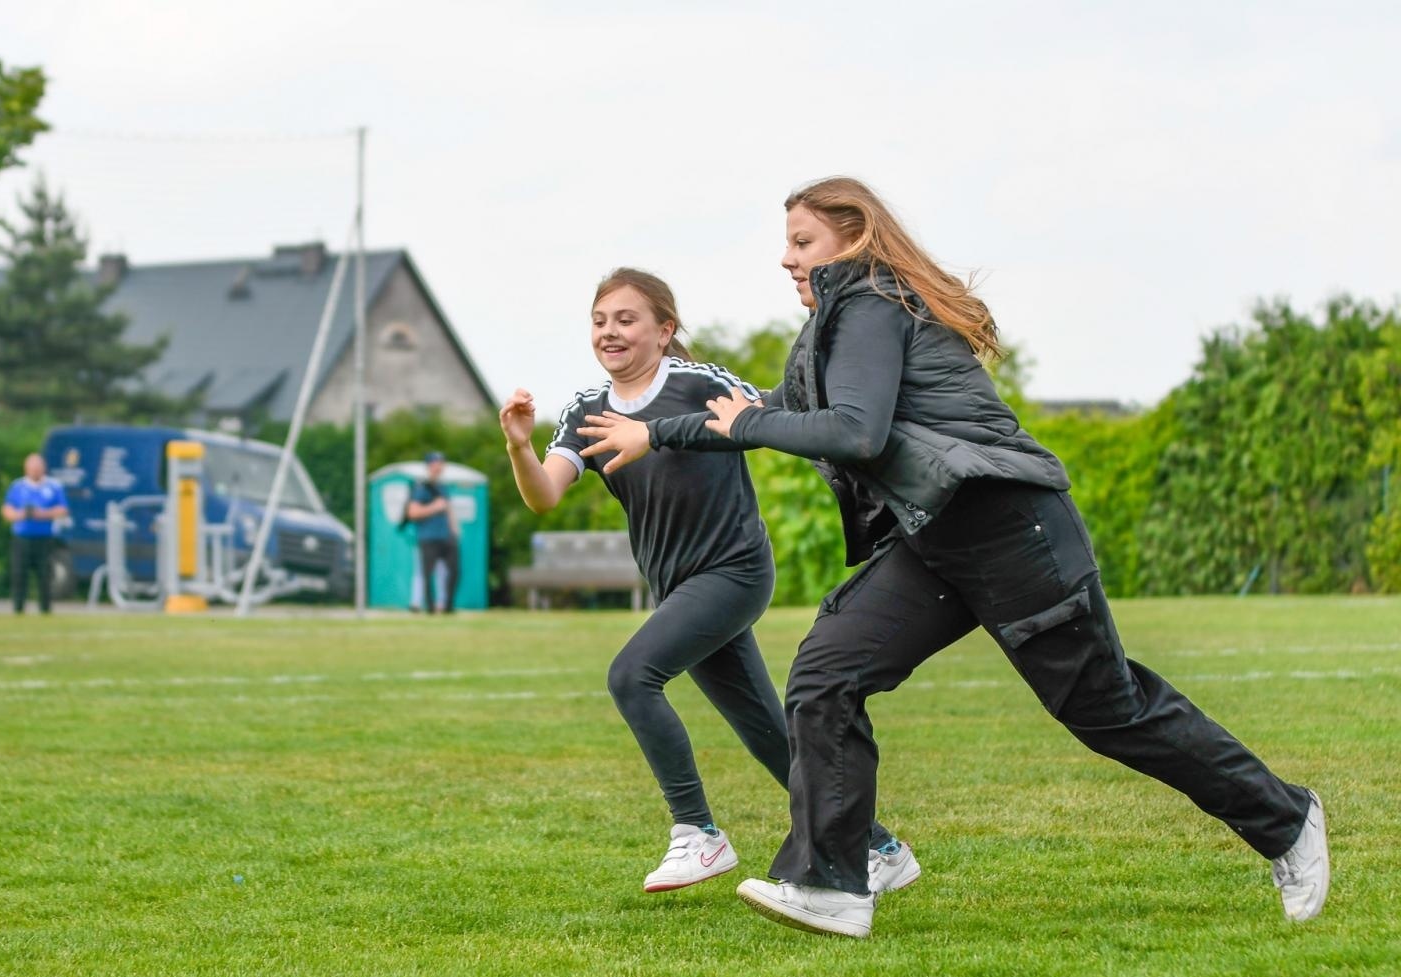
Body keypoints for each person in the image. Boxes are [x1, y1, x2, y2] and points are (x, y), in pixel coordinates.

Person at [577, 178, 1328, 937]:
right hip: (935, 538)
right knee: (827, 674)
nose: (786, 259)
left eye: (802, 242)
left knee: (1107, 710)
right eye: (787, 244)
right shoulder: (830, 329)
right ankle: (835, 884)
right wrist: (659, 432)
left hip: (1008, 528)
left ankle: (1286, 818)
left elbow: (855, 432)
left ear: (852, 239)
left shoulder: (872, 303)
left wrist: (739, 428)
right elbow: (767, 411)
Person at [502, 266, 918, 895]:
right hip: (678, 588)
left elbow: (766, 419)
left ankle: (697, 832)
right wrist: (518, 448)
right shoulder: (586, 409)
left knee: (632, 676)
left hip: (735, 571)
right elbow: (544, 496)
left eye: (626, 319)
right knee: (768, 734)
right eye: (599, 320)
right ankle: (881, 848)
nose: (610, 331)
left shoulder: (700, 383)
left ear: (664, 329)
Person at [2, 453, 67, 615]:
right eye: (32, 468)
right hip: (22, 537)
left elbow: (63, 509)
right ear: (26, 469)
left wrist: (42, 514)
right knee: (19, 572)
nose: (35, 471)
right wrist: (21, 515)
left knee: (45, 574)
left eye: (38, 468)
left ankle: (45, 608)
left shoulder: (53, 486)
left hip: (44, 537)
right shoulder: (17, 486)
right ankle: (18, 608)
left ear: (43, 468)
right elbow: (7, 510)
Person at [406, 451, 460, 614]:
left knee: (450, 572)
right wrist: (434, 507)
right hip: (428, 537)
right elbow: (412, 512)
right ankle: (425, 606)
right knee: (425, 574)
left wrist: (454, 530)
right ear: (429, 466)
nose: (439, 466)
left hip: (445, 536)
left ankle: (445, 606)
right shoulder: (422, 487)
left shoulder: (443, 487)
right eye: (436, 463)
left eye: (441, 463)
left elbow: (448, 509)